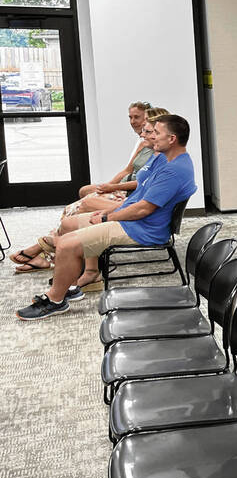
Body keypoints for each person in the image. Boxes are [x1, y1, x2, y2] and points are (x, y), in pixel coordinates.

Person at [16, 115, 198, 321]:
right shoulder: (164, 158)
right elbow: (138, 198)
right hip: (133, 220)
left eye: (156, 133)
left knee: (66, 244)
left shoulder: (174, 170)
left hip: (142, 229)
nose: (151, 137)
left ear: (172, 139)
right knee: (68, 225)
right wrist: (106, 213)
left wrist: (107, 218)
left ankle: (55, 300)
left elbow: (142, 210)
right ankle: (73, 284)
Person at [11, 108, 169, 276]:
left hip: (132, 202)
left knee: (83, 206)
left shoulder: (163, 159)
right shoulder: (146, 146)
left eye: (147, 128)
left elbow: (144, 191)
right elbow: (127, 171)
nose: (139, 128)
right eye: (133, 119)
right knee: (83, 194)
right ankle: (58, 251)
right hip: (128, 197)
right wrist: (107, 187)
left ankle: (50, 250)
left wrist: (112, 196)